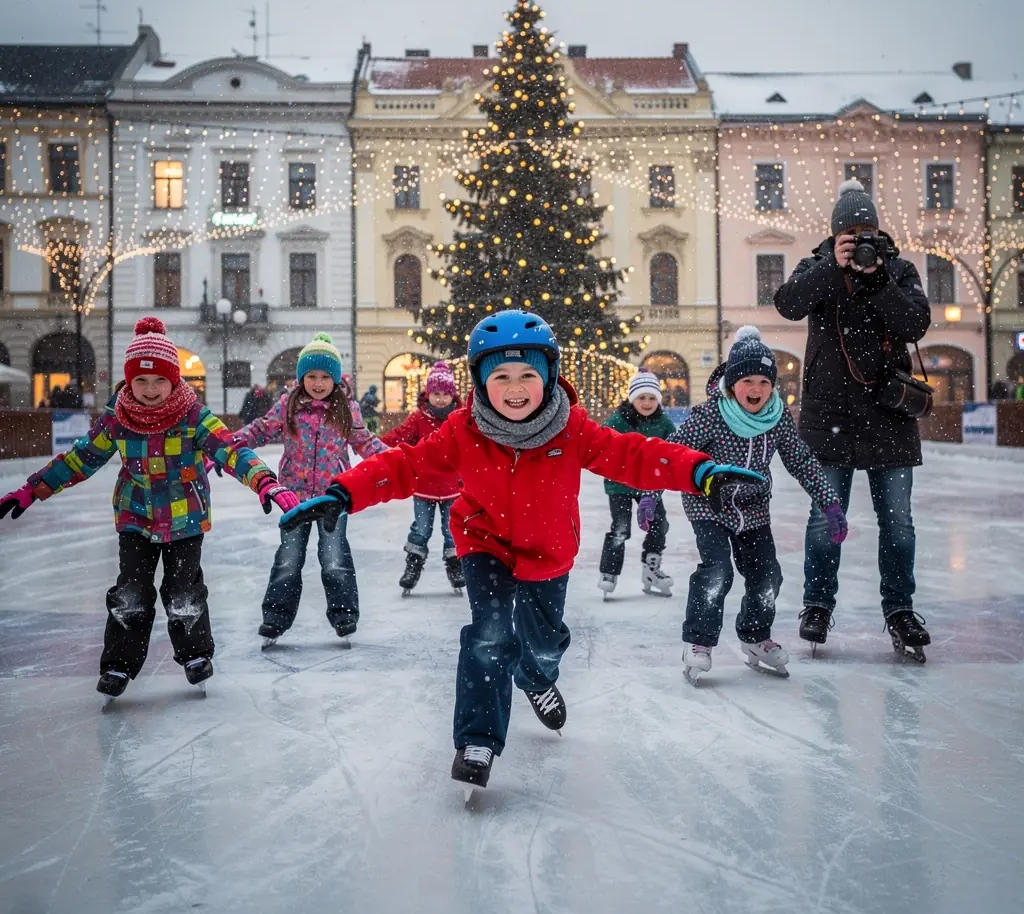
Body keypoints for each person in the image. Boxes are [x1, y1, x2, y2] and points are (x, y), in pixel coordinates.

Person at [277, 310, 764, 792]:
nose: (515, 386)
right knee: (489, 636)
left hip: (547, 552)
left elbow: (631, 454)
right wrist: (344, 493)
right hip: (482, 541)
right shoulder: (463, 429)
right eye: (501, 375)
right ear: (481, 382)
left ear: (549, 376)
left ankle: (536, 678)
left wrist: (700, 471)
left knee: (544, 645)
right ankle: (477, 741)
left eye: (528, 374)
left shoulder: (571, 428)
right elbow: (407, 466)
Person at [0, 318, 297, 699]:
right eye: (141, 381)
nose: (151, 389)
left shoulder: (193, 416)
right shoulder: (118, 417)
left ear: (174, 380)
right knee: (131, 593)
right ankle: (119, 665)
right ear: (127, 381)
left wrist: (264, 481)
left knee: (183, 591)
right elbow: (81, 458)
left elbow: (231, 450)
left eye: (160, 380)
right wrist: (33, 489)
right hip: (135, 518)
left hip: (185, 519)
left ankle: (194, 656)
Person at [775, 178, 932, 660]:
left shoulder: (899, 269)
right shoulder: (818, 266)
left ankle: (900, 611)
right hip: (830, 418)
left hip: (889, 418)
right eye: (851, 232)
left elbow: (916, 324)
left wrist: (879, 278)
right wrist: (832, 267)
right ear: (836, 234)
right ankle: (817, 606)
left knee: (898, 523)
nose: (861, 240)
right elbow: (787, 303)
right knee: (826, 520)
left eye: (867, 230)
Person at [642, 327, 847, 683]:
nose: (756, 390)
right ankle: (699, 642)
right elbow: (672, 453)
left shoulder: (777, 417)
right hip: (709, 505)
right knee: (717, 572)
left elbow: (800, 459)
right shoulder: (712, 414)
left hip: (753, 509)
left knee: (768, 575)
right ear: (731, 383)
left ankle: (754, 636)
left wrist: (829, 502)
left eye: (764, 382)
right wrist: (649, 492)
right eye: (747, 381)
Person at [233, 333, 387, 645]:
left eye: (325, 376)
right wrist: (233, 441)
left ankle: (344, 613)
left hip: (333, 496)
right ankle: (275, 617)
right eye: (312, 376)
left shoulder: (347, 409)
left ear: (335, 378)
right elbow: (262, 429)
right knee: (289, 559)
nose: (318, 383)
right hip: (294, 497)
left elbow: (365, 442)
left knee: (333, 557)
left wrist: (393, 459)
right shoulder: (288, 405)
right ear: (302, 377)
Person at [381, 361, 465, 595]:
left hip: (453, 487)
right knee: (421, 529)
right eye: (435, 394)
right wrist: (377, 446)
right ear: (428, 394)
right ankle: (413, 566)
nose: (440, 399)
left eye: (445, 394)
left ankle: (455, 566)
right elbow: (400, 435)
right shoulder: (419, 418)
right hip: (423, 485)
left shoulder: (459, 418)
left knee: (452, 530)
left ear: (453, 395)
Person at [597, 369, 676, 598]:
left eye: (652, 398)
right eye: (641, 397)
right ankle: (608, 572)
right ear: (632, 399)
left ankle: (651, 569)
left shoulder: (663, 422)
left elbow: (675, 449)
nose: (647, 402)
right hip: (620, 484)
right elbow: (603, 445)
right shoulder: (619, 421)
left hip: (649, 485)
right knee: (621, 528)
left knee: (659, 524)